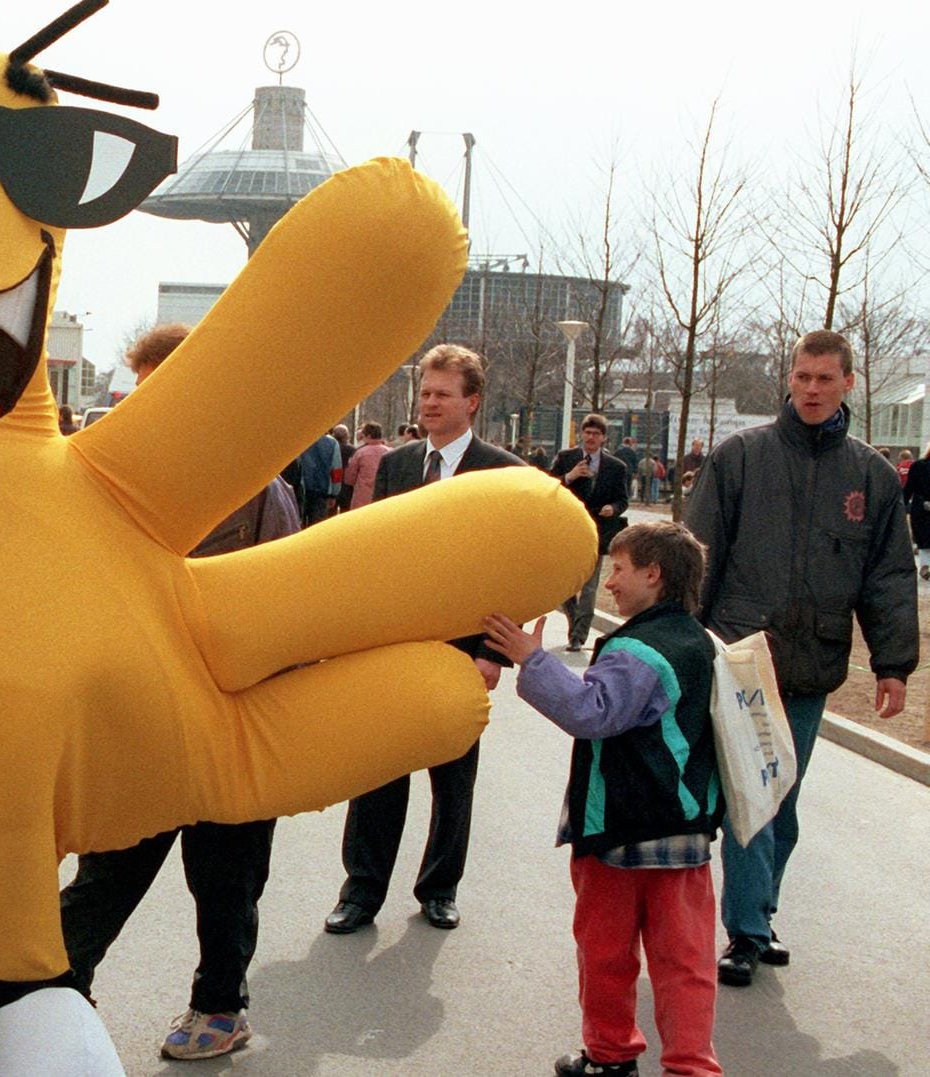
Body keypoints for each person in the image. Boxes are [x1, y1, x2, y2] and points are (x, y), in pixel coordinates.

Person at [58, 323, 299, 1061]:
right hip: (136, 720)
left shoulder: (259, 487)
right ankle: (58, 992)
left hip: (231, 720)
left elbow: (286, 600)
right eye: (144, 388)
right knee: (107, 868)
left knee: (226, 877)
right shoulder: (110, 481)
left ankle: (220, 1004)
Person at [685, 329, 917, 987]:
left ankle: (757, 912)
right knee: (749, 798)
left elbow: (889, 576)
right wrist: (684, 646)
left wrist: (894, 665)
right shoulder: (741, 458)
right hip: (740, 662)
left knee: (781, 803)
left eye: (825, 378)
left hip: (813, 666)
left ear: (849, 382)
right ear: (789, 378)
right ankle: (747, 932)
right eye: (802, 376)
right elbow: (696, 556)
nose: (811, 388)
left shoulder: (871, 476)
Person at [483, 522, 723, 1077]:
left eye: (619, 569)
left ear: (653, 574)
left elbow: (593, 713)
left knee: (606, 953)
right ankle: (692, 1067)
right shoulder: (697, 640)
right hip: (685, 831)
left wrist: (530, 658)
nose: (609, 583)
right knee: (685, 964)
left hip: (618, 828)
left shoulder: (639, 650)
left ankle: (611, 1055)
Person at [326, 343, 524, 935]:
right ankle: (361, 891)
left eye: (442, 393)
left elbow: (514, 569)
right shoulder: (397, 465)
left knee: (452, 775)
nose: (430, 403)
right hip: (396, 646)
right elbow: (379, 553)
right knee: (379, 770)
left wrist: (493, 654)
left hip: (465, 650)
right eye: (425, 393)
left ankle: (440, 887)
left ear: (473, 401)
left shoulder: (505, 473)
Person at [551, 414, 630, 652]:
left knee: (590, 585)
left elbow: (623, 500)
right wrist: (570, 476)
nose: (591, 437)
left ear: (604, 438)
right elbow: (548, 485)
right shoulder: (566, 459)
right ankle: (575, 620)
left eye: (596, 434)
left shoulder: (616, 467)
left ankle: (579, 634)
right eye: (587, 433)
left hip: (597, 532)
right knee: (564, 584)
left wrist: (613, 509)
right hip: (569, 529)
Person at [339, 421, 390, 510]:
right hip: (384, 497)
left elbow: (350, 477)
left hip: (363, 497)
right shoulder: (390, 452)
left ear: (368, 436)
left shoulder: (360, 453)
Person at [904, 441, 930, 581]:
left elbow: (909, 488)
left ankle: (925, 566)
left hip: (921, 507)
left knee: (923, 537)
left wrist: (902, 504)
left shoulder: (918, 466)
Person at [614, 435, 642, 500]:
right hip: (629, 471)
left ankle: (619, 497)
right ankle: (627, 497)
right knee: (628, 485)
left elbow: (614, 460)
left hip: (619, 471)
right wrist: (635, 472)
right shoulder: (632, 452)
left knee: (619, 484)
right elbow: (635, 462)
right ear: (630, 443)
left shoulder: (618, 451)